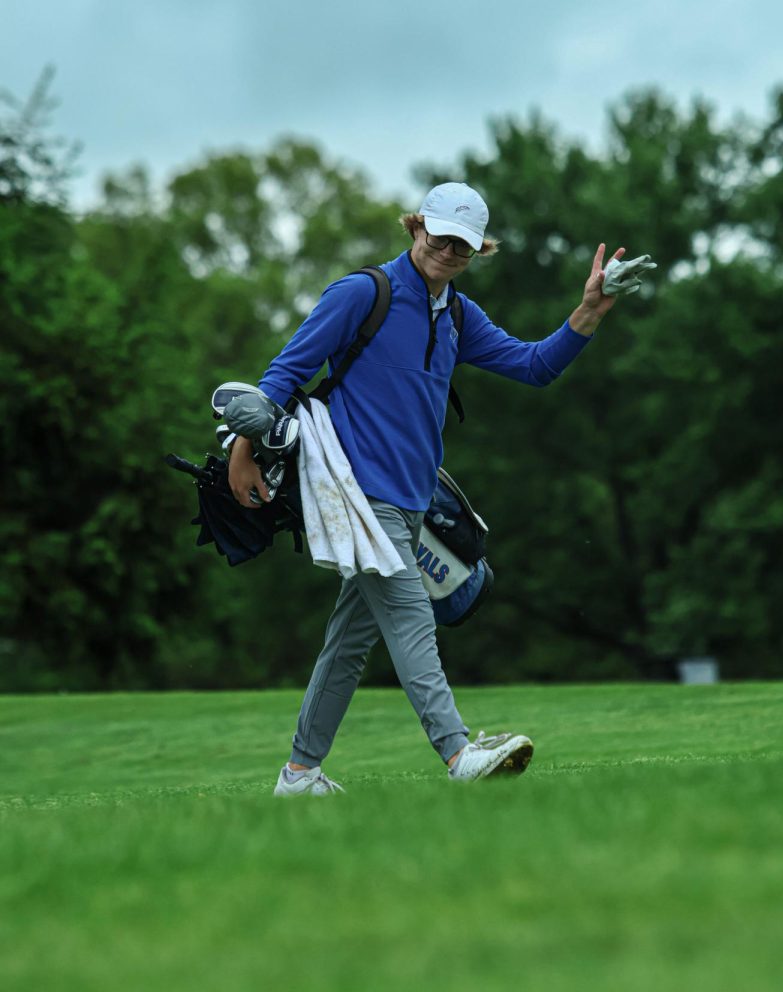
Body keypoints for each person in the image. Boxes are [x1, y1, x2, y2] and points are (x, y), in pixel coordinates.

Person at [228, 182, 625, 795]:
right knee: (412, 618)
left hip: (414, 502)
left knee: (349, 644)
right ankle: (457, 751)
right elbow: (283, 373)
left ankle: (299, 774)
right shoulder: (364, 293)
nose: (446, 251)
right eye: (437, 237)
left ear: (477, 252)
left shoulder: (459, 315)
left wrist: (590, 311)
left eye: (461, 246)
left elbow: (535, 366)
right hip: (358, 498)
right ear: (415, 228)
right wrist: (242, 451)